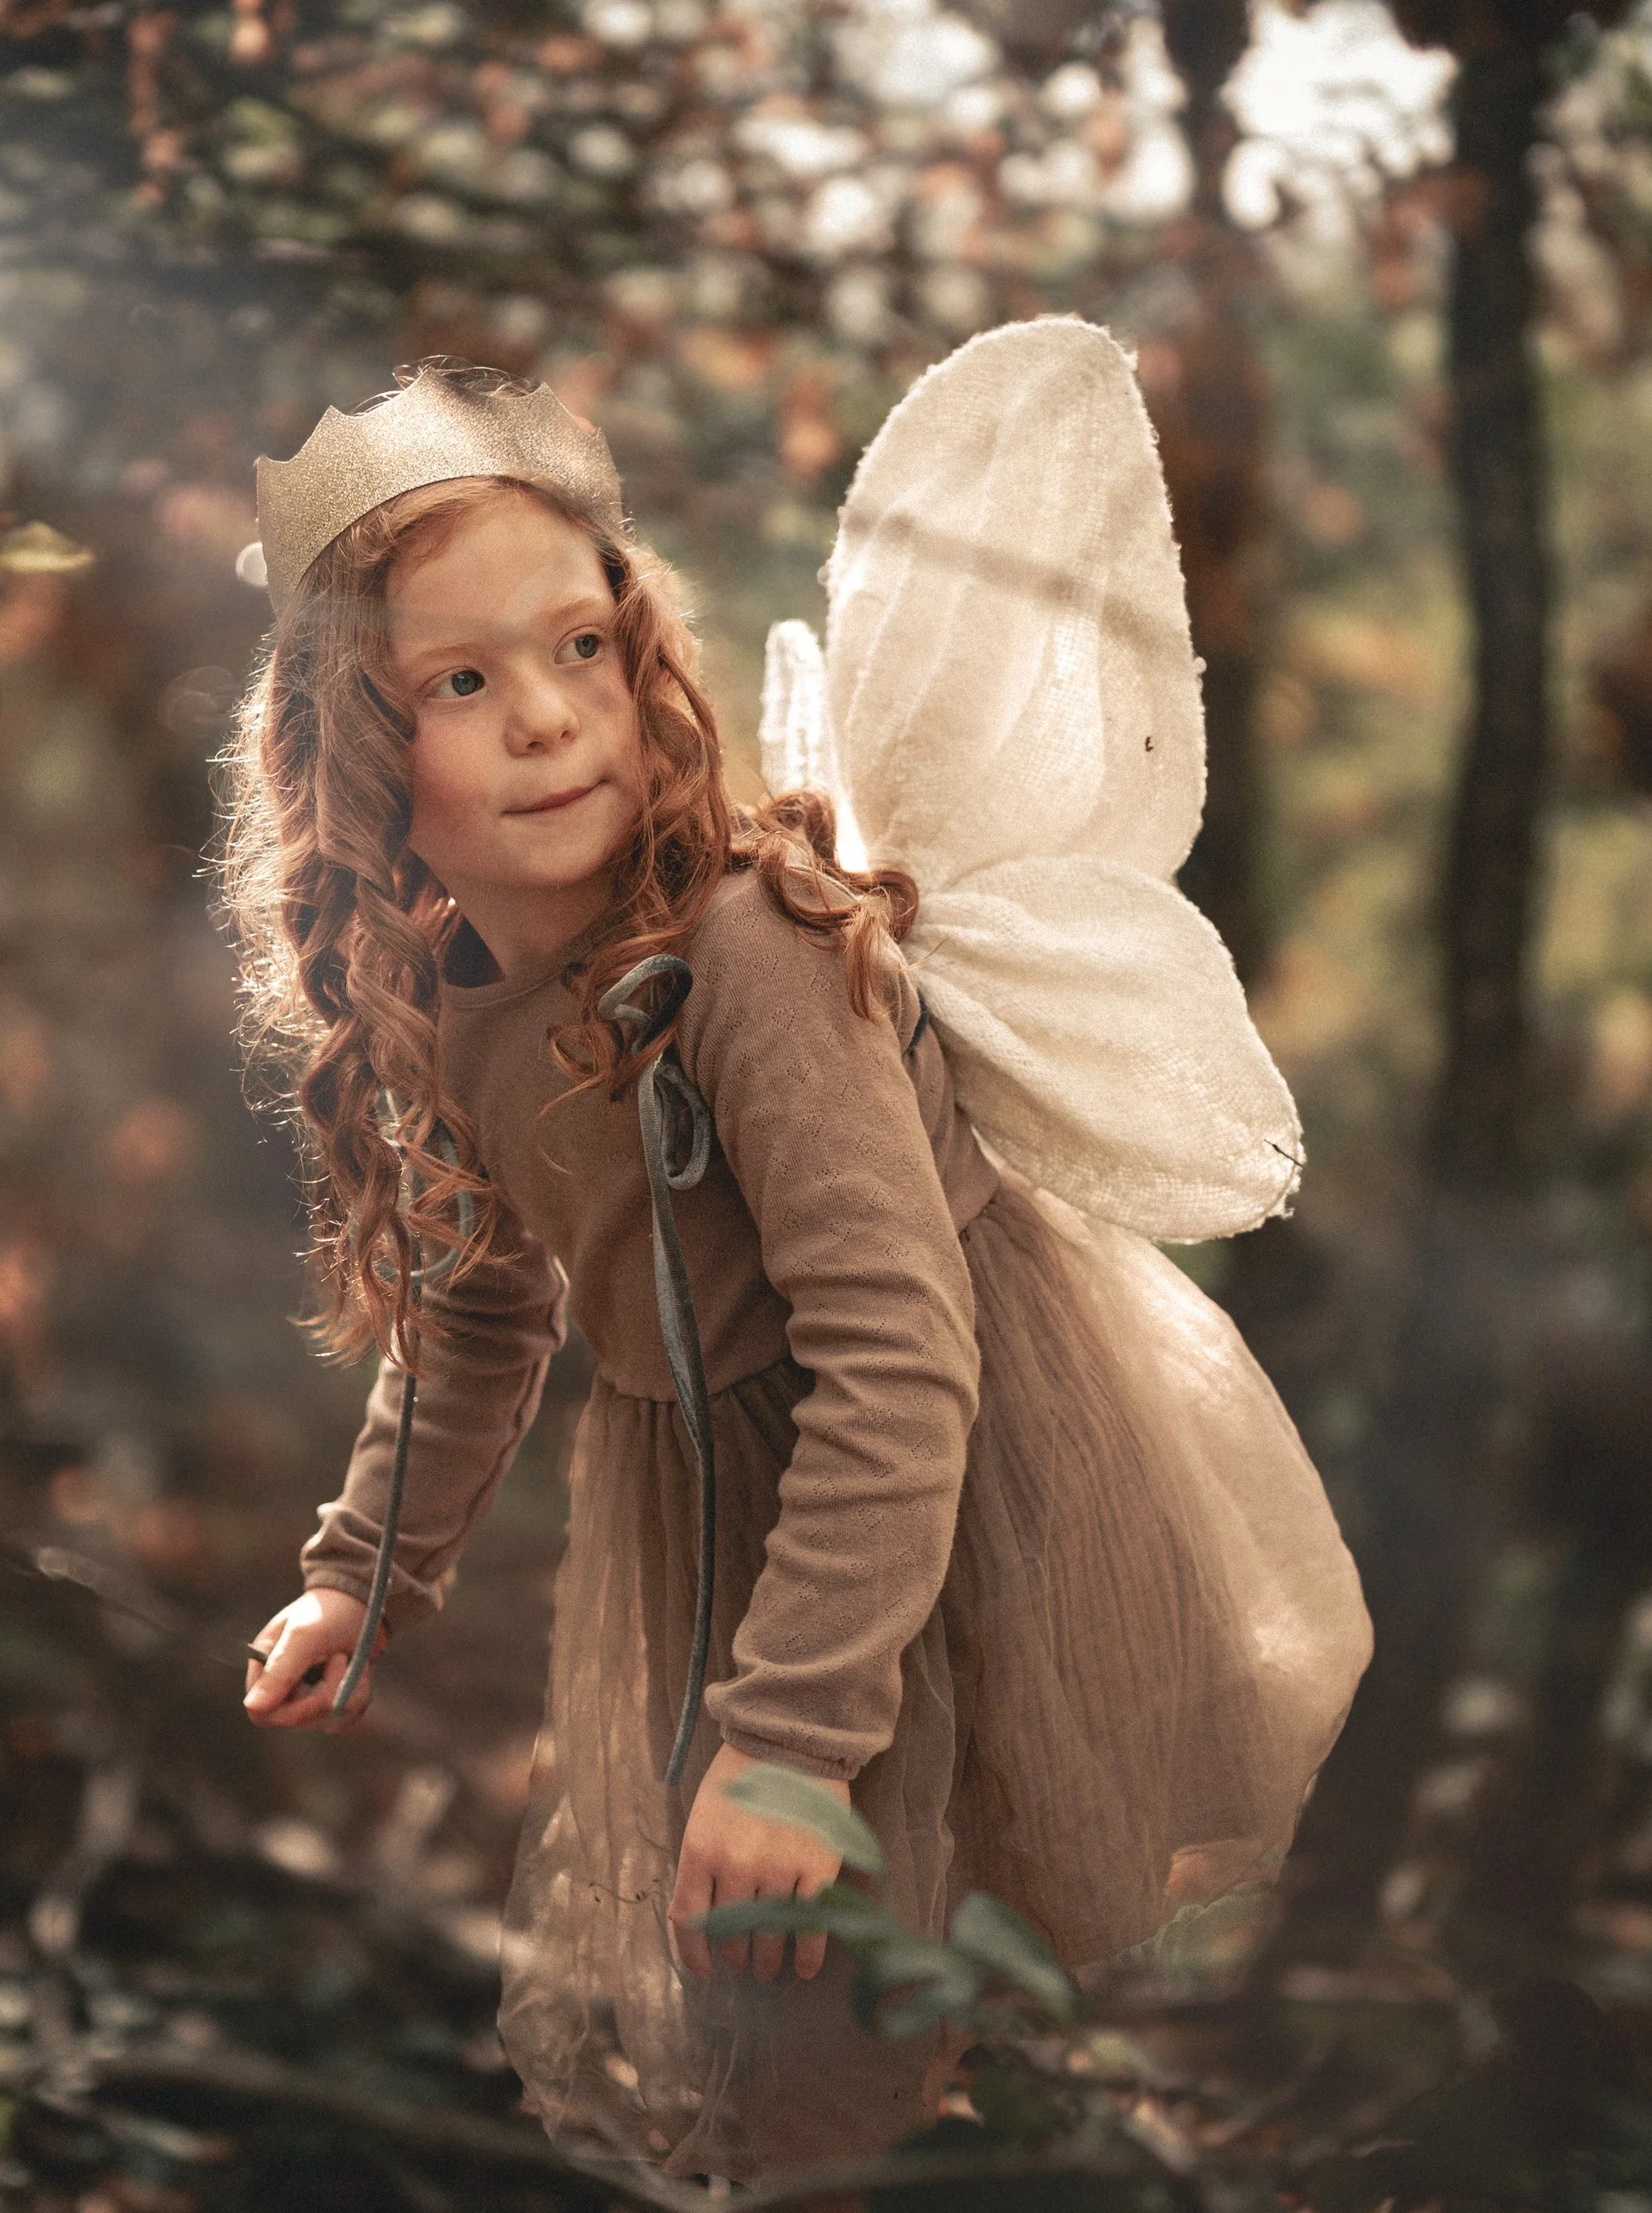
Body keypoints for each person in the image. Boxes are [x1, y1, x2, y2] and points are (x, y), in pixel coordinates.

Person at [225, 328, 1371, 2181]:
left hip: (920, 1498)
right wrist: (368, 1568)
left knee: (843, 2000)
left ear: (637, 648)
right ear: (358, 758)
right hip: (718, 1516)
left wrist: (791, 1737)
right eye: (459, 676)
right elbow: (478, 1300)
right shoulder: (462, 1008)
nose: (546, 714)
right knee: (785, 2034)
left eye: (577, 646)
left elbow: (901, 1347)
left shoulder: (747, 953)